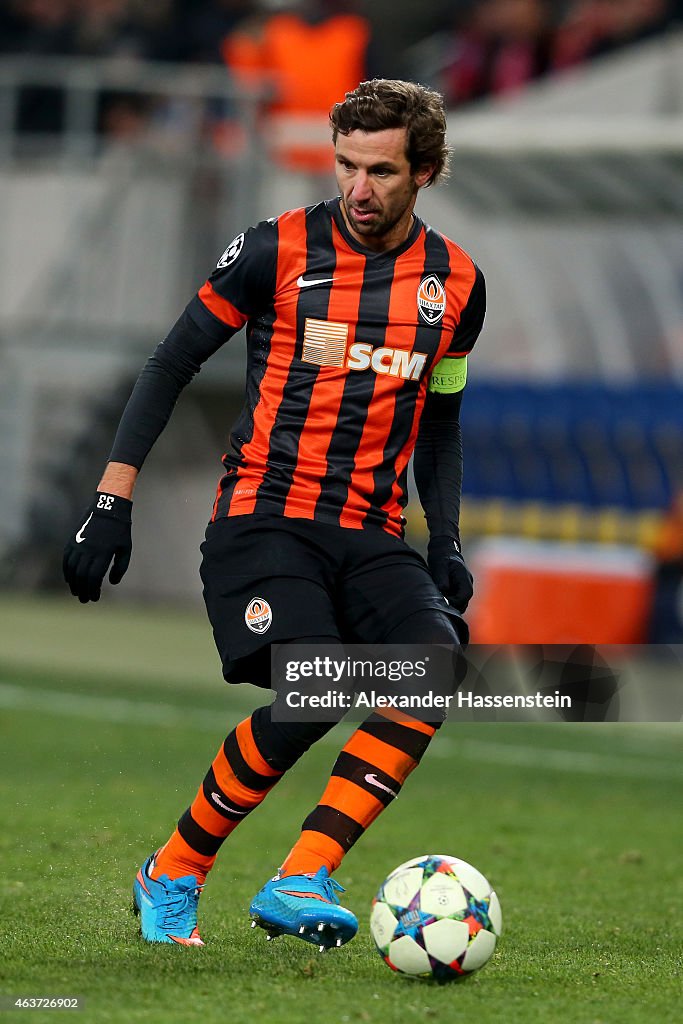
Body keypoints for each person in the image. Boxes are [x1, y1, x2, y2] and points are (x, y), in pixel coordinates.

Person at [63, 78, 486, 951]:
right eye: (344, 165)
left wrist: (442, 535)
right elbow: (169, 361)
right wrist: (112, 498)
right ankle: (173, 871)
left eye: (380, 170)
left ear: (428, 172)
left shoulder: (458, 287)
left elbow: (441, 419)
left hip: (372, 534)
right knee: (318, 683)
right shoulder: (275, 249)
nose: (358, 189)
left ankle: (301, 876)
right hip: (266, 518)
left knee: (434, 669)